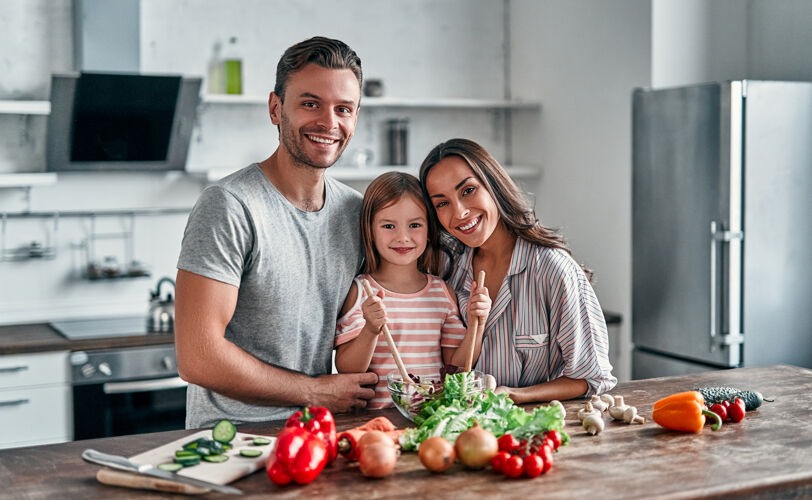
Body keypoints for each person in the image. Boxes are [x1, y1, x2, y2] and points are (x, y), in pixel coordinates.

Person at [174, 36, 378, 429]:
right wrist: (318, 392)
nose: (329, 122)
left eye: (344, 109)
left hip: (317, 434)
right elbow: (198, 356)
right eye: (310, 103)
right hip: (232, 438)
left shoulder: (357, 212)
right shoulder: (230, 205)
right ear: (275, 108)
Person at [419, 138, 617, 403]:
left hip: (535, 431)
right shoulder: (445, 272)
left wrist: (515, 395)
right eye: (442, 203)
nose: (460, 212)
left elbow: (592, 377)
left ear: (494, 185)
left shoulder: (552, 269)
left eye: (468, 191)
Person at [334, 172, 492, 408]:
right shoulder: (360, 292)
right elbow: (347, 368)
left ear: (429, 230)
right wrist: (370, 329)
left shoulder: (442, 293)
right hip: (379, 422)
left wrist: (476, 324)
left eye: (415, 225)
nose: (403, 237)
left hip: (430, 418)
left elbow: (457, 368)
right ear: (370, 230)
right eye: (388, 226)